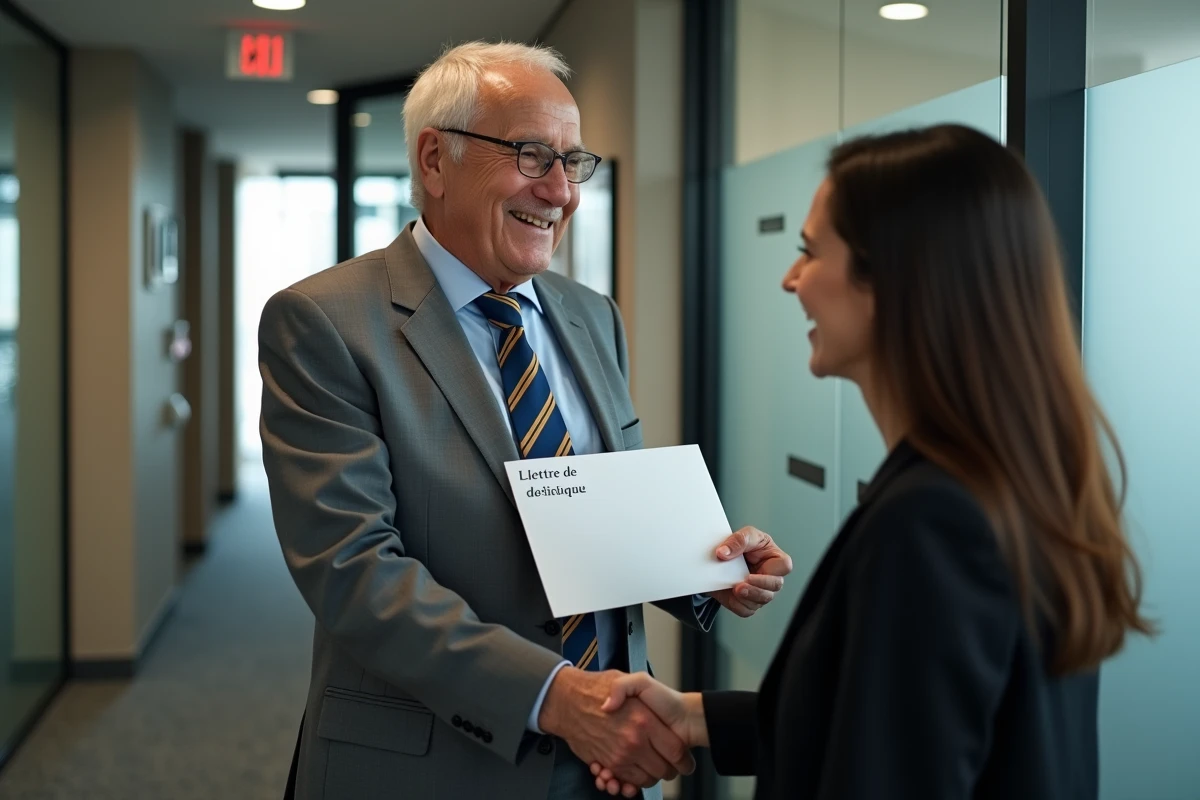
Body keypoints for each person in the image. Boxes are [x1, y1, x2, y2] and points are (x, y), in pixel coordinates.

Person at [258, 41, 793, 800]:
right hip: (430, 766)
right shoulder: (323, 322)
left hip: (604, 760)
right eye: (532, 155)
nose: (560, 191)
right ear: (435, 160)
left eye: (573, 162)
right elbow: (355, 572)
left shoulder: (590, 316)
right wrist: (552, 696)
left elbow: (590, 510)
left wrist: (708, 568)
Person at [588, 124, 1155, 800]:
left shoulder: (931, 522)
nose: (790, 278)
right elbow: (899, 724)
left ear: (895, 277)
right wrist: (694, 716)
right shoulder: (1011, 482)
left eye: (809, 252)